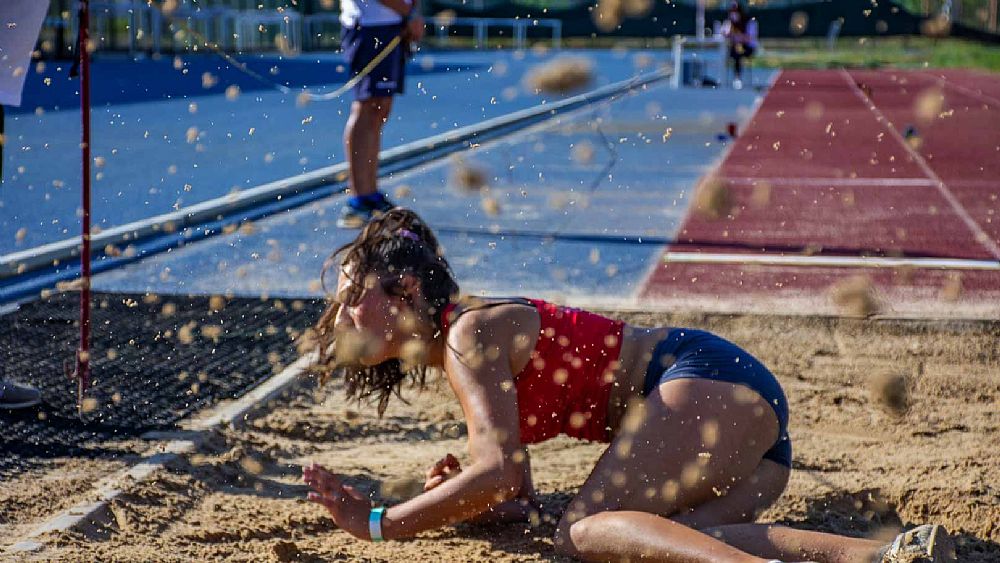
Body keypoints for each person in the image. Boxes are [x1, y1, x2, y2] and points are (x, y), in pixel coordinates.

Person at [302, 207, 956, 562]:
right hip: (744, 425)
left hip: (701, 382)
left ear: (406, 288)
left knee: (579, 535)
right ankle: (889, 555)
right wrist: (459, 492)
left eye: (353, 296)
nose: (343, 318)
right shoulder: (468, 346)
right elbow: (516, 496)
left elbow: (500, 472)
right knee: (675, 542)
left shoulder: (469, 336)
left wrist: (381, 522)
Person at [336, 0, 425, 228]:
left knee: (379, 109)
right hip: (369, 25)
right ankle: (357, 199)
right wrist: (409, 13)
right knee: (367, 106)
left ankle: (370, 193)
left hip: (391, 23)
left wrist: (411, 12)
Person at [721, 1, 758, 90]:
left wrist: (736, 36)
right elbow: (724, 34)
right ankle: (724, 78)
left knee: (738, 52)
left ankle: (737, 78)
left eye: (736, 11)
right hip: (735, 47)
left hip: (748, 48)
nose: (734, 14)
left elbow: (750, 38)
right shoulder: (729, 23)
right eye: (732, 12)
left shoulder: (750, 22)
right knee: (733, 51)